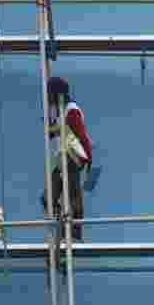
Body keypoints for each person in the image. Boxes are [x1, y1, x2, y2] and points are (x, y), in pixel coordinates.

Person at [45, 76, 94, 241]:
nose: (47, 97)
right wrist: (50, 124)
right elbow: (54, 134)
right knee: (47, 198)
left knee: (73, 194)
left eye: (49, 93)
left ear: (57, 94)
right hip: (63, 157)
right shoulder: (60, 111)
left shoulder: (71, 110)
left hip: (73, 155)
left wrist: (89, 160)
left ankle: (76, 231)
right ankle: (61, 222)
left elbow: (82, 135)